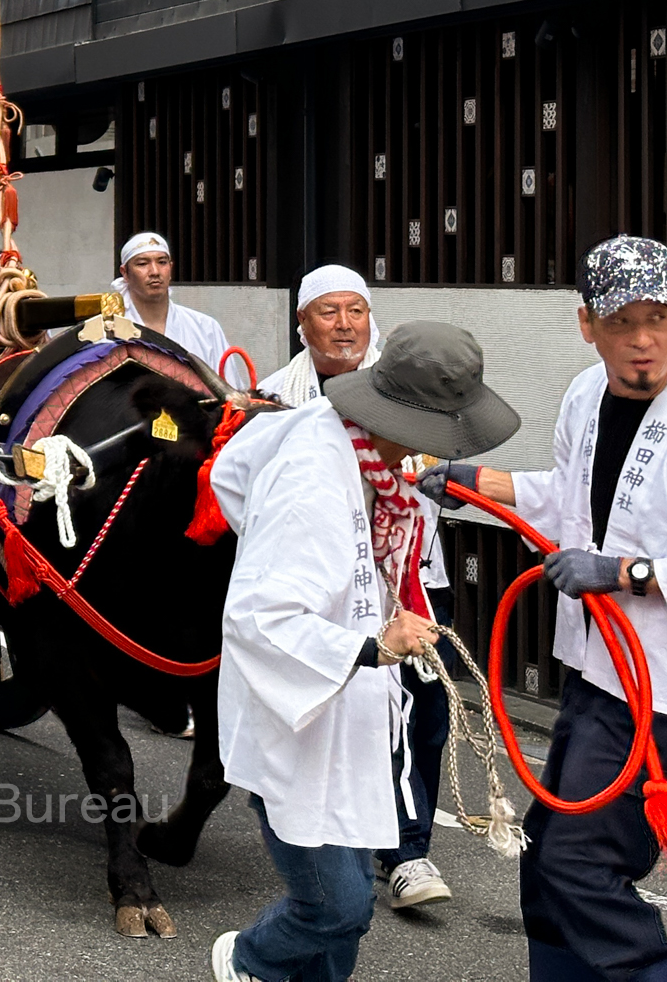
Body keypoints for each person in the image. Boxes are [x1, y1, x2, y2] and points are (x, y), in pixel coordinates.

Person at [209, 322, 519, 982]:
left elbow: (233, 473)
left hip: (344, 699)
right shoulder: (312, 478)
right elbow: (259, 615)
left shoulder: (342, 438)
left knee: (343, 923)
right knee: (336, 906)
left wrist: (364, 605)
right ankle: (246, 959)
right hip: (295, 707)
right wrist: (369, 641)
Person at [423, 235, 667, 982]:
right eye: (620, 323)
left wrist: (626, 572)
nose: (643, 341)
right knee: (548, 861)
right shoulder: (585, 394)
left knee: (580, 862)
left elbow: (615, 550)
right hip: (597, 672)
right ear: (586, 325)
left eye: (659, 317)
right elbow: (574, 501)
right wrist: (479, 481)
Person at [261, 263, 453, 910]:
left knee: (425, 715)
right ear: (301, 322)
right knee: (354, 711)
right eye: (327, 311)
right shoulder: (275, 397)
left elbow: (437, 458)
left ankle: (401, 838)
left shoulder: (404, 383)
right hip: (328, 586)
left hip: (410, 574)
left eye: (356, 311)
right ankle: (400, 851)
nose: (344, 324)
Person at [115, 231, 247, 387]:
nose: (155, 272)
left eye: (162, 262)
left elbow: (231, 393)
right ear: (125, 273)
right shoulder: (110, 329)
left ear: (170, 268)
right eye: (142, 264)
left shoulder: (205, 328)